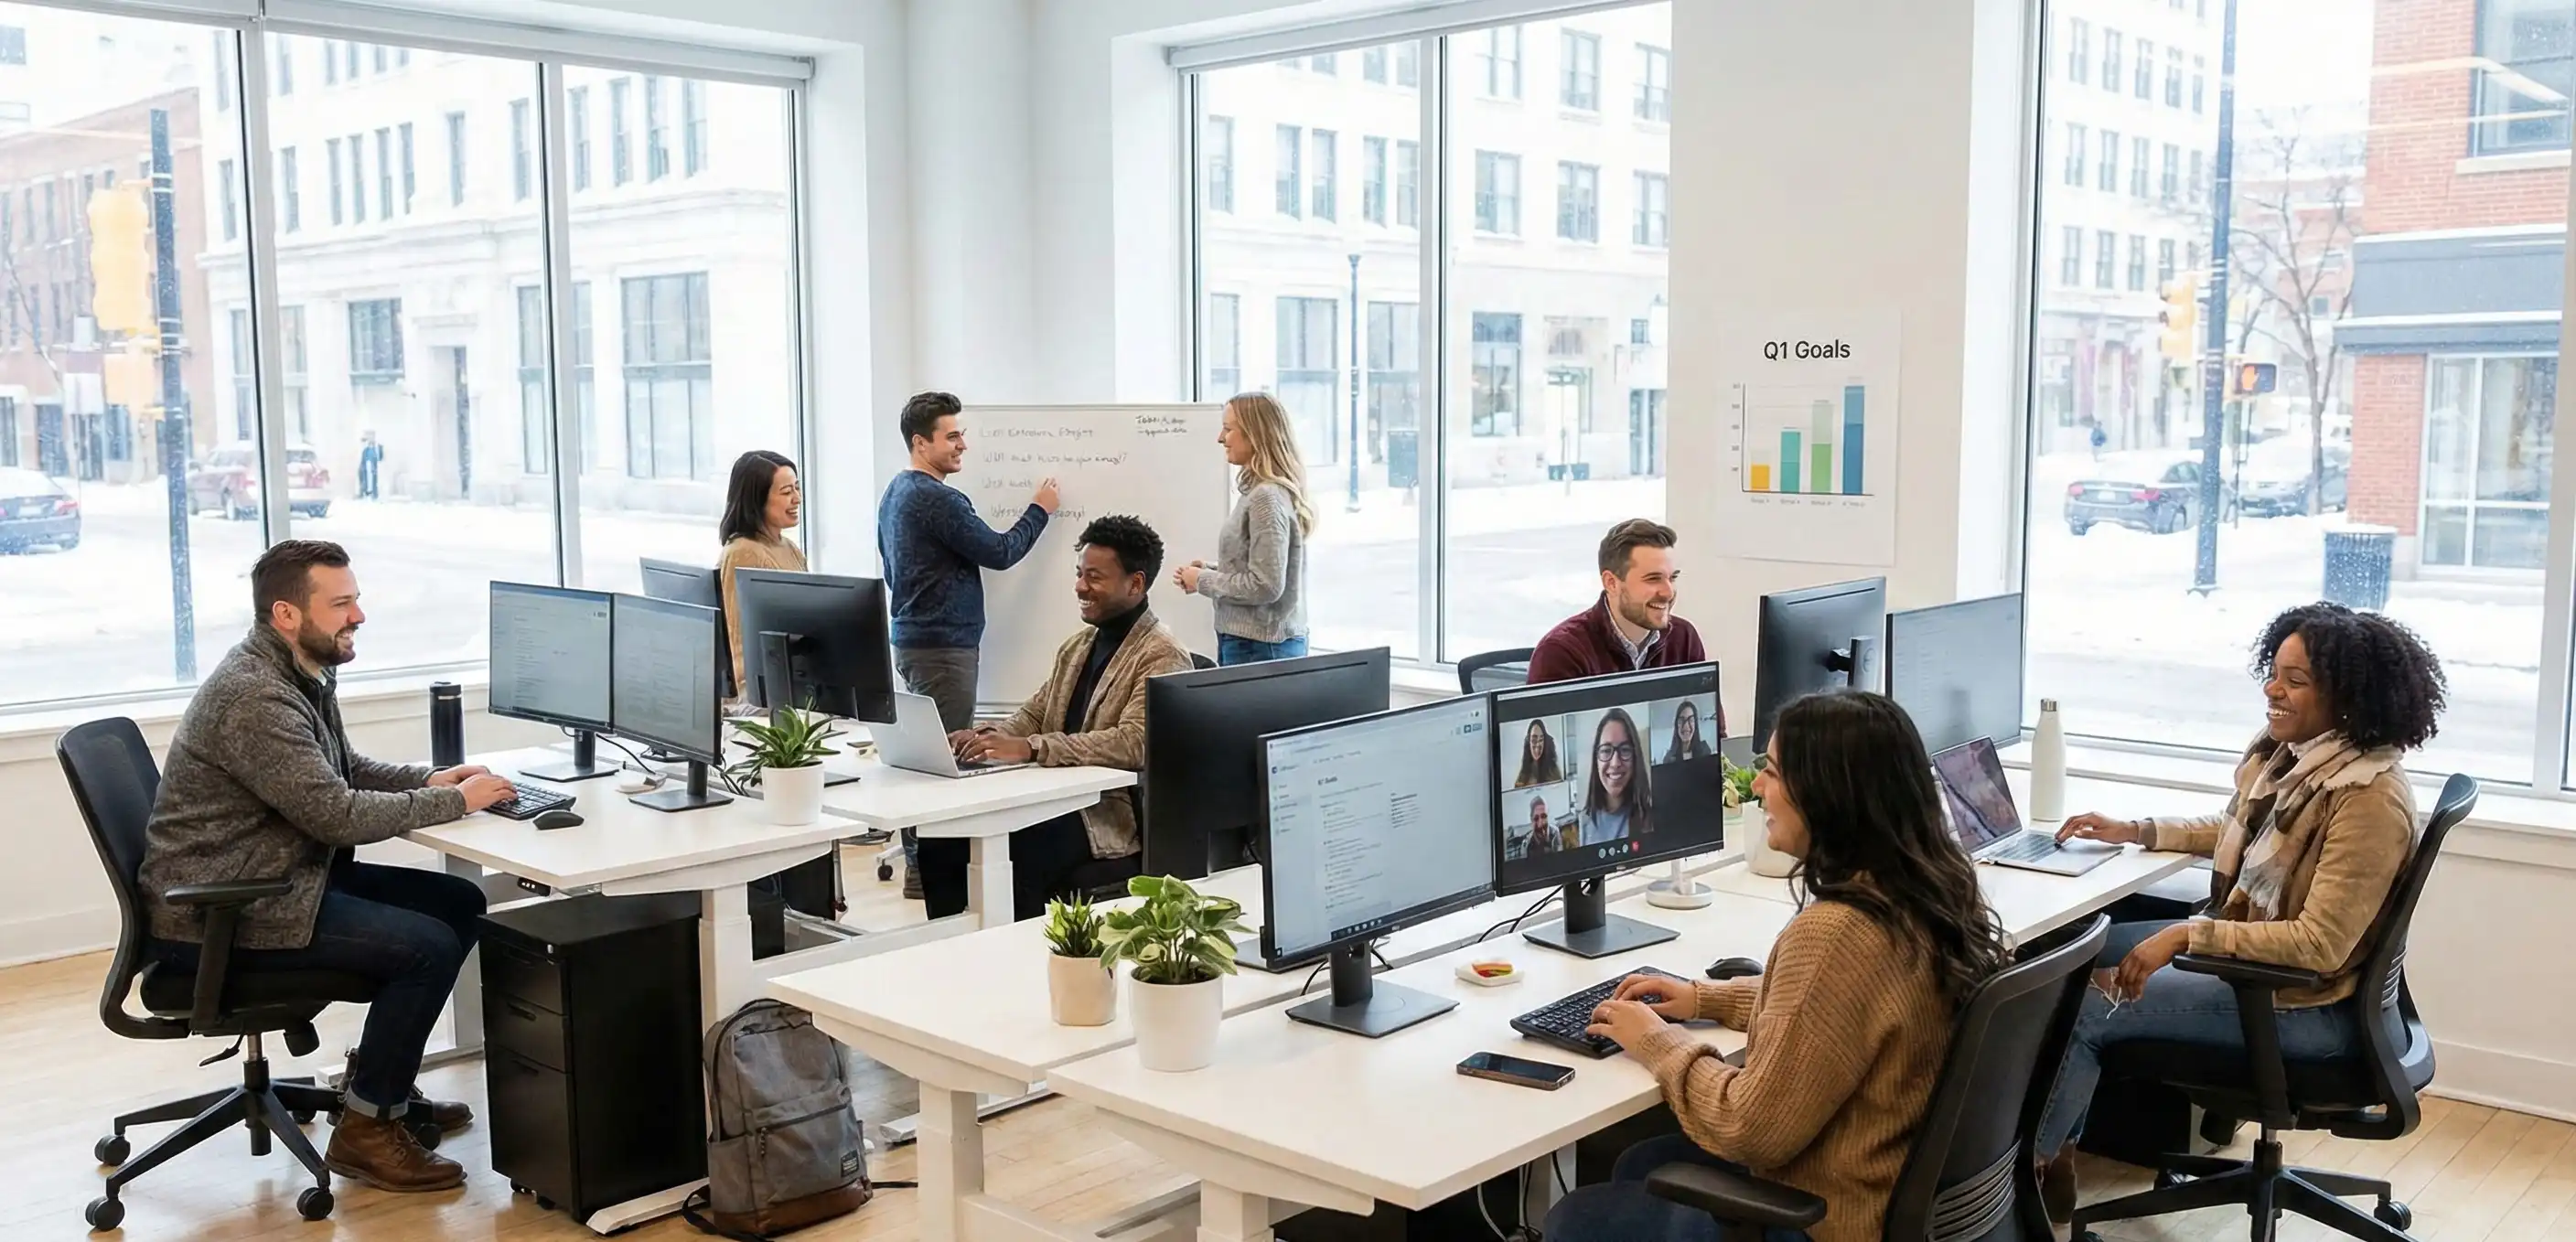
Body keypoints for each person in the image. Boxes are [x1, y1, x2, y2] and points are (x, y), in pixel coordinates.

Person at [1548, 690, 2010, 1242]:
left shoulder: (1837, 931)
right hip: (1905, 1191)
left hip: (1836, 1217)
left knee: (1576, 1219)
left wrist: (1656, 1042)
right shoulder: (1929, 890)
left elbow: (1750, 1129)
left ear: (1828, 796)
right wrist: (1705, 998)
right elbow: (1845, 1009)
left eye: (1771, 770)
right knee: (1643, 1163)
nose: (1758, 786)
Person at [2032, 602, 2444, 1221]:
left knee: (2090, 1005)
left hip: (2312, 1011)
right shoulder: (2301, 760)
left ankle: (2027, 1180)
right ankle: (2055, 1151)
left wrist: (2185, 935)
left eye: (2296, 681)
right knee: (2074, 955)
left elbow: (2317, 946)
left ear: (2351, 697)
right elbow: (2238, 830)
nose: (2273, 690)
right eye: (2274, 672)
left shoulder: (2366, 797)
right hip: (2277, 986)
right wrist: (2136, 830)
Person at [137, 541, 519, 1194]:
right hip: (228, 909)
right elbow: (335, 815)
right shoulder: (254, 697)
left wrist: (429, 777)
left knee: (459, 903)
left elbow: (338, 770)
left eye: (356, 599)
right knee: (425, 947)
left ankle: (378, 1084)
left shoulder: (298, 669)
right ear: (286, 613)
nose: (359, 615)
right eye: (342, 603)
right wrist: (452, 801)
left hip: (282, 878)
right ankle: (368, 1130)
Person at [918, 516, 1193, 921]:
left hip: (1105, 814)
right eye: (1079, 574)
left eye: (1094, 577)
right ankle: (954, 956)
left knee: (1017, 852)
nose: (1080, 586)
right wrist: (987, 738)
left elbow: (1134, 742)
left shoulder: (1163, 655)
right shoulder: (1079, 644)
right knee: (940, 841)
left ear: (1135, 584)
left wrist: (1033, 746)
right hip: (1050, 797)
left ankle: (1018, 966)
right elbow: (1035, 712)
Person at [878, 391, 1057, 898]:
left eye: (962, 434)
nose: (963, 445)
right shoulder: (936, 498)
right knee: (946, 765)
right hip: (942, 648)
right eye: (952, 436)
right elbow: (999, 551)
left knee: (926, 760)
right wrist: (1040, 511)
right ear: (921, 442)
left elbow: (893, 571)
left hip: (914, 640)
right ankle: (933, 878)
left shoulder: (895, 491)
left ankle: (926, 870)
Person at [1528, 519, 1722, 735]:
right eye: (1653, 579)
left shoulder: (1684, 637)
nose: (1668, 592)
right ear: (1611, 583)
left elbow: (1713, 735)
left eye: (1672, 578)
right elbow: (1551, 757)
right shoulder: (1562, 652)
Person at [1174, 393, 1313, 665]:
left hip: (1260, 647)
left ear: (1255, 434)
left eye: (1228, 429)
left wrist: (1202, 580)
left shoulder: (1266, 498)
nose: (1220, 438)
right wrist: (1211, 570)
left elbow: (1266, 586)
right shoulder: (1260, 493)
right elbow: (1263, 571)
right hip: (1252, 644)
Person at [715, 449, 806, 696]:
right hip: (761, 693)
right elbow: (736, 638)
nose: (797, 498)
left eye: (797, 488)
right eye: (787, 492)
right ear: (757, 499)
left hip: (791, 681)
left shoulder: (790, 548)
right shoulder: (742, 552)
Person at [1578, 708, 1653, 846]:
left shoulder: (1651, 819)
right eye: (1606, 751)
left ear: (1635, 757)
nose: (1615, 763)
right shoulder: (1581, 823)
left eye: (1624, 750)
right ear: (1596, 760)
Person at [1512, 718, 1565, 788]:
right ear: (1529, 743)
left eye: (1541, 740)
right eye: (1534, 740)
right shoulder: (1523, 778)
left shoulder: (1553, 773)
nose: (1537, 745)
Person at [1663, 698, 1714, 764]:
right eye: (1682, 720)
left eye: (1691, 720)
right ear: (1676, 725)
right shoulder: (1668, 759)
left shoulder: (1705, 750)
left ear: (1695, 725)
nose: (1686, 726)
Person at [357, 432, 383, 500]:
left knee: (373, 481)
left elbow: (379, 458)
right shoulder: (365, 450)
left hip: (373, 468)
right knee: (365, 481)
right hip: (366, 468)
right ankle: (366, 493)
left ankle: (373, 494)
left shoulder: (377, 448)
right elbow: (363, 460)